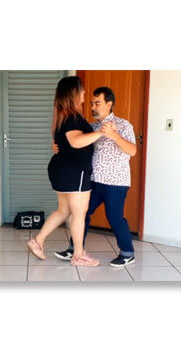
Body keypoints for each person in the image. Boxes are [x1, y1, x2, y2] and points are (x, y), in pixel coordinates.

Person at [52, 86, 137, 267]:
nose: (93, 107)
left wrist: (114, 135)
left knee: (114, 217)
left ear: (109, 103)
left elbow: (132, 150)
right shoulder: (91, 127)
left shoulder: (123, 125)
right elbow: (75, 143)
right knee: (81, 213)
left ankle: (127, 252)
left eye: (97, 103)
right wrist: (57, 148)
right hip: (93, 181)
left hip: (116, 182)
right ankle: (75, 249)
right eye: (91, 103)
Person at [26, 76, 101, 267]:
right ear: (73, 93)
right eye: (82, 90)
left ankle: (37, 241)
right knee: (78, 213)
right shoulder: (73, 117)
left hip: (62, 169)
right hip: (74, 171)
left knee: (64, 210)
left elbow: (66, 142)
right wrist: (102, 133)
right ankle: (79, 255)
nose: (85, 92)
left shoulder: (61, 117)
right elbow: (76, 142)